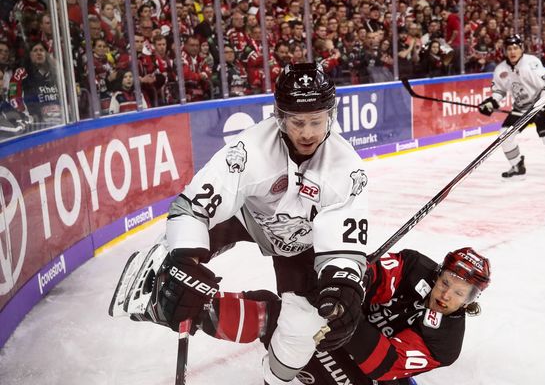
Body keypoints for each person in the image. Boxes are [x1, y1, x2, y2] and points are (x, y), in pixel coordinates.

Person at [109, 63, 372, 385]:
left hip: (303, 240)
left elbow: (343, 241)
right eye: (297, 121)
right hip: (245, 218)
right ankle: (159, 289)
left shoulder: (347, 169)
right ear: (279, 116)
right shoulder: (248, 151)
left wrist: (343, 284)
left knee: (306, 324)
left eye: (316, 122)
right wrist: (185, 260)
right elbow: (192, 208)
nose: (306, 132)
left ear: (330, 116)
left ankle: (275, 377)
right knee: (176, 268)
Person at [298, 247, 491, 385]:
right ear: (438, 275)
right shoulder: (413, 266)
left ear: (469, 301)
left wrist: (345, 313)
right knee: (274, 307)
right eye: (445, 283)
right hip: (342, 332)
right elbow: (371, 274)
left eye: (459, 293)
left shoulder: (446, 343)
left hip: (369, 366)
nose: (446, 295)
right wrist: (347, 285)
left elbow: (381, 363)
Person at [478, 35, 545, 188]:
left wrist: (540, 105)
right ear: (505, 51)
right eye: (509, 49)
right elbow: (499, 90)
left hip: (543, 105)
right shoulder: (500, 69)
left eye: (516, 48)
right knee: (505, 135)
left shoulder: (531, 64)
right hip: (521, 109)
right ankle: (517, 166)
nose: (513, 52)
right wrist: (492, 102)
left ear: (522, 49)